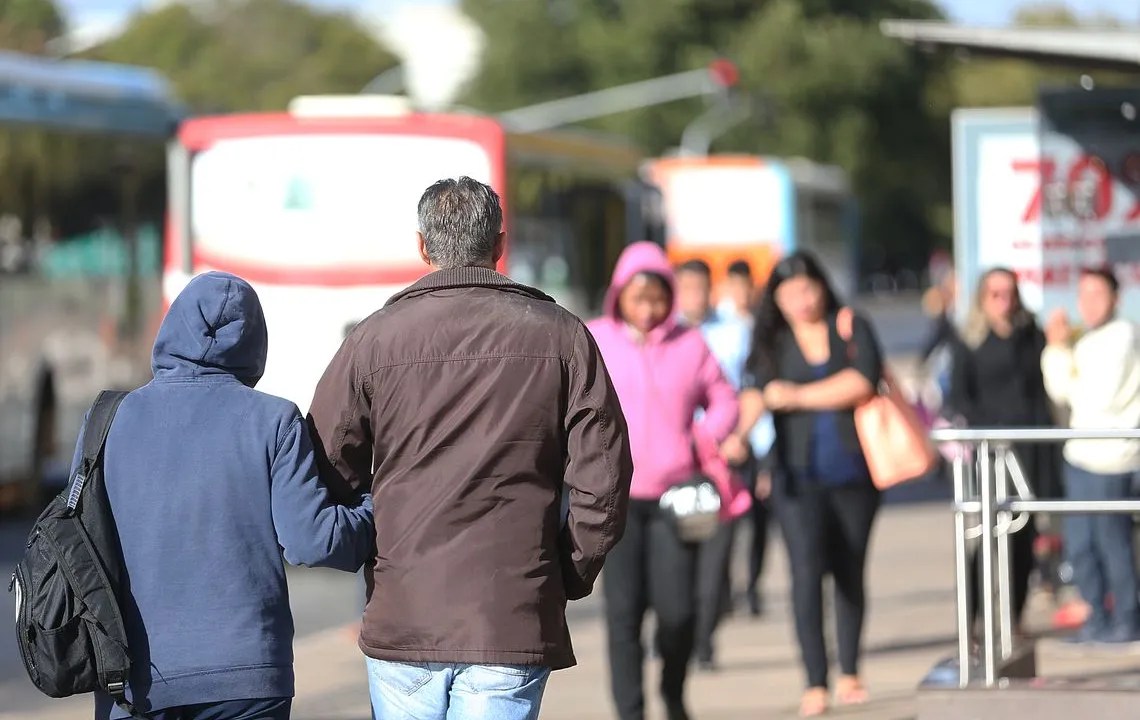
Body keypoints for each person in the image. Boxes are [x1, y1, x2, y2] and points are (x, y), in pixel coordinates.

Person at [307, 176, 633, 720]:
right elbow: (604, 478)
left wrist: (369, 545)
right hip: (511, 610)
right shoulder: (561, 335)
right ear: (499, 245)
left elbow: (322, 467)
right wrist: (566, 571)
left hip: (405, 612)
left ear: (422, 246)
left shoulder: (373, 339)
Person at [88, 271, 375, 720]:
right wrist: (376, 509)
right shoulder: (275, 421)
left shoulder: (107, 420)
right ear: (254, 342)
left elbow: (80, 545)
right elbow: (312, 540)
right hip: (248, 679)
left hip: (132, 677)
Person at [724, 250, 882, 718]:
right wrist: (738, 435)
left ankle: (850, 669)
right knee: (805, 576)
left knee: (850, 571)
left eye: (808, 289)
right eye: (789, 293)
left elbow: (864, 381)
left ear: (823, 286)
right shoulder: (771, 337)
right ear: (776, 297)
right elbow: (755, 392)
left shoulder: (850, 325)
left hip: (856, 475)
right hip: (795, 479)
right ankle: (816, 680)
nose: (801, 300)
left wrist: (795, 396)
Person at [588, 242, 742, 720]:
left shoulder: (689, 344)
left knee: (679, 613)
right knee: (623, 617)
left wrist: (704, 434)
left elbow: (725, 400)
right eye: (639, 298)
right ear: (619, 296)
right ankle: (630, 711)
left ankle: (673, 691)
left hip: (677, 496)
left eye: (658, 298)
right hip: (616, 501)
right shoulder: (594, 340)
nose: (649, 308)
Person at [947, 267, 1058, 640]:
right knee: (989, 536)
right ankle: (975, 618)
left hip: (1030, 447)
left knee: (1024, 538)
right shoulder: (968, 341)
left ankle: (1015, 615)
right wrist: (986, 433)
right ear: (982, 298)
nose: (1003, 301)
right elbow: (959, 397)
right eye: (994, 294)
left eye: (1008, 293)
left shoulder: (1032, 334)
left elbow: (1044, 388)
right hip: (992, 453)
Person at [1042, 266, 1140, 644]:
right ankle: (1097, 616)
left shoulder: (1123, 338)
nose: (1088, 304)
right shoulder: (1084, 341)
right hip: (1080, 456)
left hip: (1112, 458)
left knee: (1112, 545)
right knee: (1081, 546)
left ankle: (1126, 620)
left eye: (1097, 294)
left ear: (1115, 298)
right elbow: (1062, 390)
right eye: (1083, 295)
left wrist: (1063, 355)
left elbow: (1094, 396)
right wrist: (1056, 347)